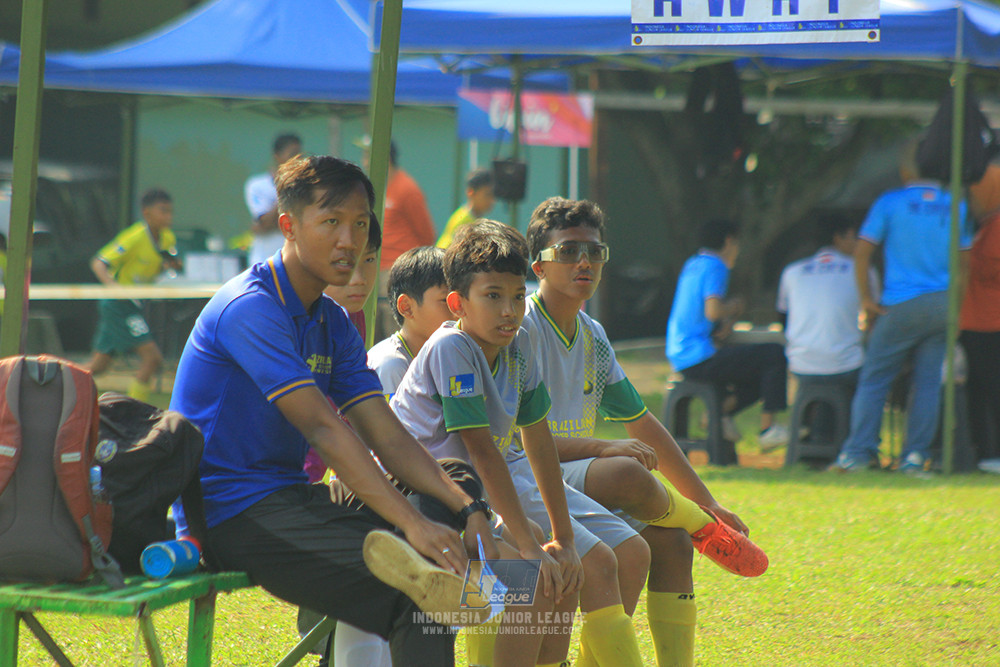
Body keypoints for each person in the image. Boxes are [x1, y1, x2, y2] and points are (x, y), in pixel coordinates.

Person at [170, 155, 498, 666]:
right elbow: (324, 430)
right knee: (421, 596)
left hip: (290, 498)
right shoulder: (250, 308)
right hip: (227, 512)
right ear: (289, 226)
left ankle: (425, 567)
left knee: (451, 481)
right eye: (331, 222)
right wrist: (412, 523)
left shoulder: (333, 323)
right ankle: (418, 572)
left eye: (361, 224)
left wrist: (468, 510)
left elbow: (386, 434)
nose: (351, 241)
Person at [524, 197, 768, 667]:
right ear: (539, 265)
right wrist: (603, 447)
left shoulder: (592, 335)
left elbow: (643, 422)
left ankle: (695, 528)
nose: (584, 263)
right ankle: (705, 530)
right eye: (569, 251)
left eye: (595, 252)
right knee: (624, 471)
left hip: (580, 478)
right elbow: (516, 443)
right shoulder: (522, 329)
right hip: (532, 475)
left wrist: (706, 499)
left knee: (670, 541)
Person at [391, 220, 648, 667]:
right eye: (492, 295)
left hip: (475, 498)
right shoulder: (452, 347)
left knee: (566, 575)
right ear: (458, 303)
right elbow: (481, 452)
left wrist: (562, 538)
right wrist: (530, 549)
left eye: (515, 295)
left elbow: (539, 439)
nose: (509, 309)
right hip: (422, 504)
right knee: (531, 584)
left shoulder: (519, 342)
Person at [830, 146, 973, 474]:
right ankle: (914, 457)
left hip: (901, 304)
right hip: (943, 303)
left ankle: (857, 453)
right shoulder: (957, 205)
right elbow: (964, 266)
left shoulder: (890, 202)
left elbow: (863, 253)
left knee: (875, 379)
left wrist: (867, 299)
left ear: (906, 172)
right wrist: (957, 310)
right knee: (927, 383)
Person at [666, 218, 790, 450]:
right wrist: (734, 306)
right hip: (699, 356)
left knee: (759, 373)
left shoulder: (693, 264)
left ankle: (717, 414)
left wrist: (724, 322)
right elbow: (712, 310)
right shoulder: (716, 265)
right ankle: (768, 429)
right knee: (774, 354)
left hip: (680, 354)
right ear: (729, 241)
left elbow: (700, 314)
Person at [777, 214, 879, 444]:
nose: (858, 244)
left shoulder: (792, 272)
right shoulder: (862, 271)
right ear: (839, 238)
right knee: (872, 375)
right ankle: (857, 445)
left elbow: (783, 319)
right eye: (855, 237)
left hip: (801, 365)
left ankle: (814, 439)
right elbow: (874, 318)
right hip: (847, 365)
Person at [87, 188, 180, 402]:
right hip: (118, 305)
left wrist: (170, 266)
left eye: (170, 212)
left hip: (132, 304)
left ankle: (57, 381)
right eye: (163, 211)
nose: (168, 217)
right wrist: (114, 288)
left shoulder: (167, 238)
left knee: (98, 367)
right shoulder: (134, 237)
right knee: (152, 358)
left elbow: (160, 267)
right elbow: (99, 262)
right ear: (147, 213)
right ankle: (133, 411)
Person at [367, 245, 454, 399]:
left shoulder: (447, 357)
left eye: (460, 300)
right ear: (406, 308)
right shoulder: (391, 365)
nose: (458, 310)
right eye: (446, 301)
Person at [960, 163, 1000, 473]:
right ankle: (984, 451)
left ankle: (990, 452)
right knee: (978, 387)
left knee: (987, 387)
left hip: (987, 323)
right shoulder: (983, 225)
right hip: (976, 321)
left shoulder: (994, 227)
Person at [244, 133, 302, 267]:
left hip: (294, 263)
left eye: (300, 155)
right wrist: (286, 188)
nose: (297, 160)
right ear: (277, 156)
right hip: (264, 261)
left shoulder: (304, 187)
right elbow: (264, 223)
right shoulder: (257, 185)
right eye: (292, 154)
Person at [436, 168, 496, 249]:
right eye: (487, 194)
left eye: (493, 195)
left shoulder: (477, 218)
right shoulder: (463, 221)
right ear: (470, 192)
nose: (492, 200)